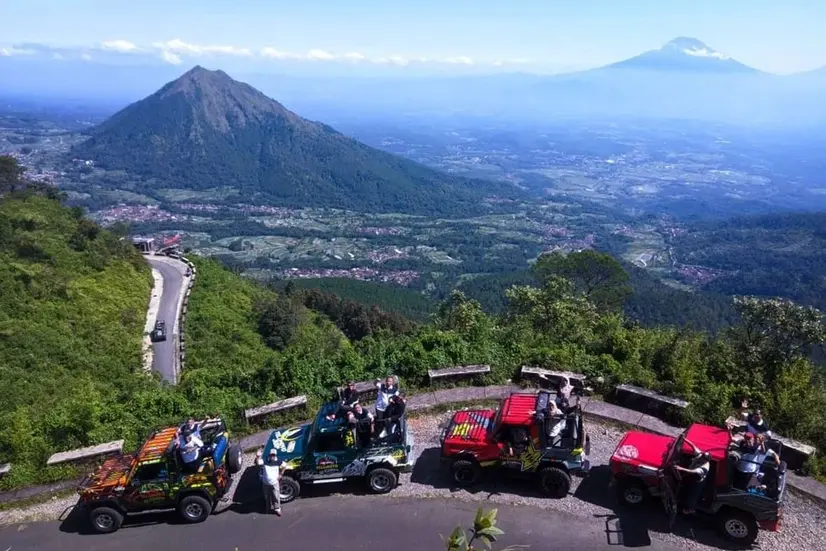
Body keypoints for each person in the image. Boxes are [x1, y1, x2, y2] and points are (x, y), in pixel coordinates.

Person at [674, 444, 711, 515]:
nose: (701, 458)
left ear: (706, 460)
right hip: (692, 476)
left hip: (698, 482)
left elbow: (692, 471)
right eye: (702, 456)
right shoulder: (700, 455)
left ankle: (690, 509)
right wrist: (684, 439)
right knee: (686, 488)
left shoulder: (704, 467)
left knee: (693, 496)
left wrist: (680, 468)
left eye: (703, 458)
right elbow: (693, 447)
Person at [256, 449, 283, 516]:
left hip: (275, 483)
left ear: (275, 455)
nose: (272, 457)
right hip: (266, 483)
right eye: (271, 455)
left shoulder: (278, 461)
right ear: (269, 455)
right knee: (266, 496)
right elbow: (257, 462)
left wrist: (281, 474)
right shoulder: (265, 461)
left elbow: (285, 465)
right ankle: (268, 508)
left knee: (276, 496)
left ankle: (277, 509)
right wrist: (257, 456)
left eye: (273, 455)